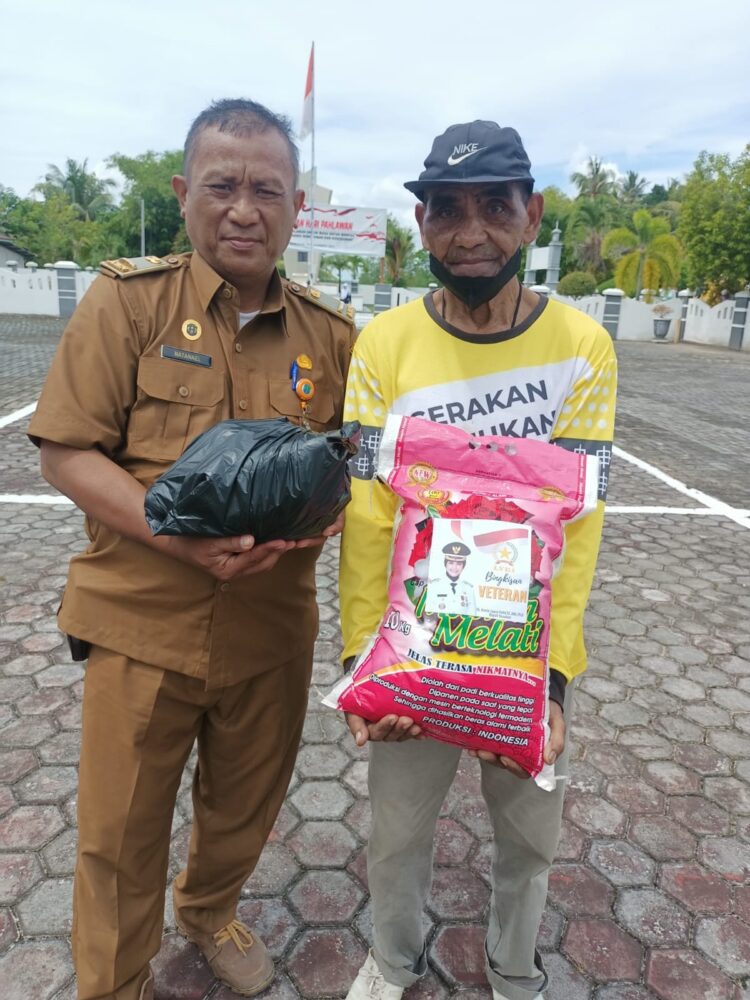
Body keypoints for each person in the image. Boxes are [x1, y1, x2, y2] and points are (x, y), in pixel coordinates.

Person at [28, 98, 356, 1000]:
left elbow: (351, 467)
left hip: (271, 626)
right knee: (118, 834)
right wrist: (175, 535)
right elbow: (65, 450)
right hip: (143, 624)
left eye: (267, 190)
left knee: (244, 806)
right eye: (223, 186)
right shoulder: (126, 302)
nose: (244, 209)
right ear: (183, 193)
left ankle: (208, 911)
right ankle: (116, 982)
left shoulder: (331, 335)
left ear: (297, 205)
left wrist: (324, 518)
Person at [339, 120, 616, 999]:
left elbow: (579, 533)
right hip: (414, 651)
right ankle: (391, 962)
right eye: (447, 210)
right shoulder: (383, 345)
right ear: (420, 225)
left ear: (530, 216)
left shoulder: (583, 349)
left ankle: (514, 969)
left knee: (529, 838)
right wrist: (358, 659)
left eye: (494, 207)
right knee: (396, 832)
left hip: (524, 663)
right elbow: (368, 513)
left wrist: (554, 683)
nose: (471, 233)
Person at [429, 540, 476, 615]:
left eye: (459, 564)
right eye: (450, 563)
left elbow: (472, 616)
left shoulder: (468, 588)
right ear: (445, 564)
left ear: (463, 566)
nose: (454, 567)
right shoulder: (433, 586)